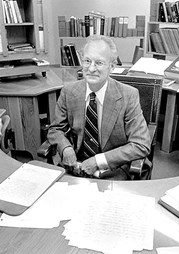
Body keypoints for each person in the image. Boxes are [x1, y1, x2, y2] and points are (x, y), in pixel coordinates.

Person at [47, 35, 151, 180]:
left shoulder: (128, 96)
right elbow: (55, 129)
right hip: (76, 166)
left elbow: (141, 144)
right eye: (87, 61)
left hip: (113, 169)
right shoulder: (69, 92)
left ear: (112, 66)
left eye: (99, 63)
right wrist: (65, 148)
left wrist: (98, 161)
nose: (91, 68)